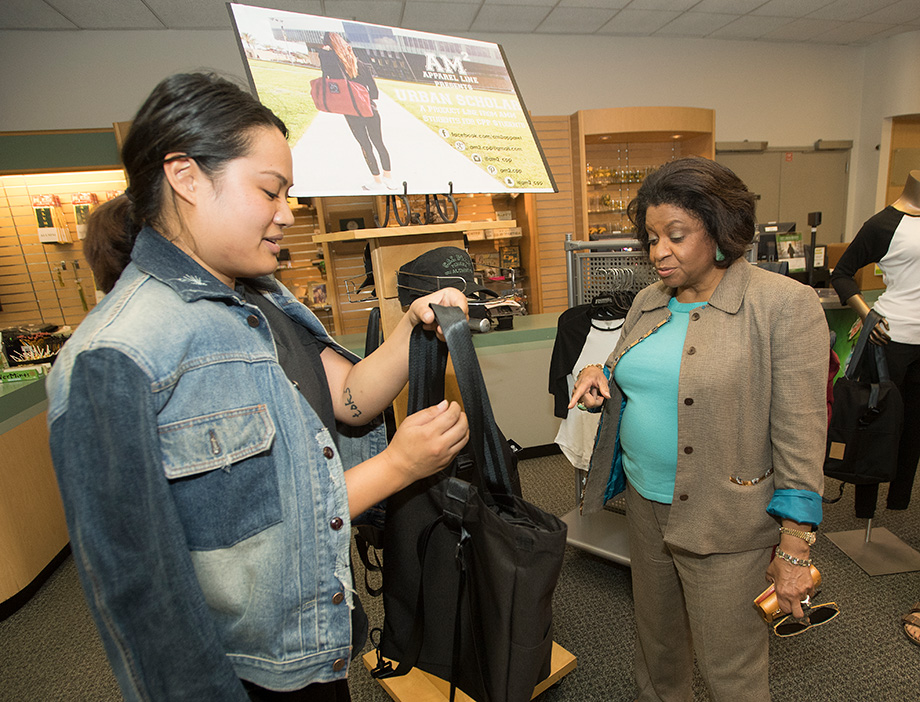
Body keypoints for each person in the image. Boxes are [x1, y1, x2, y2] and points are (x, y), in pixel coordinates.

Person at [46, 72, 469, 701]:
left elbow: (350, 397)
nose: (288, 212)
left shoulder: (262, 296)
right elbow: (145, 601)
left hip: (315, 641)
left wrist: (413, 324)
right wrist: (400, 466)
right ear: (185, 177)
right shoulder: (114, 358)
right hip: (242, 675)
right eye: (271, 190)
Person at [571, 157, 828, 701]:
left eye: (676, 235)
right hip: (644, 507)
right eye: (651, 236)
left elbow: (802, 436)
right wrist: (601, 374)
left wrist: (795, 549)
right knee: (657, 648)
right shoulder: (648, 301)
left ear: (719, 230)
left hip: (728, 521)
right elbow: (629, 368)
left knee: (728, 669)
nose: (658, 251)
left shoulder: (783, 305)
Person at [830, 169, 920, 521]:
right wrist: (868, 316)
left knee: (914, 427)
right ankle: (864, 508)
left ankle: (899, 501)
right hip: (888, 337)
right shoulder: (883, 224)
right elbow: (842, 272)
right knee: (875, 423)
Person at [319, 32, 395, 191]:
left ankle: (377, 181)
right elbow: (374, 92)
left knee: (365, 146)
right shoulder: (362, 66)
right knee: (379, 143)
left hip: (352, 113)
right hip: (370, 110)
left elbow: (325, 76)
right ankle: (388, 178)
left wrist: (325, 51)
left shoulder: (332, 63)